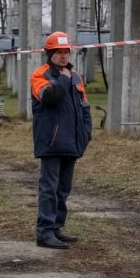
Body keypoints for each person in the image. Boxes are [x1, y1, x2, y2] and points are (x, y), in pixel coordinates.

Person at [30, 31, 92, 249]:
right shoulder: (40, 76)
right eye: (59, 52)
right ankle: (44, 232)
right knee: (49, 187)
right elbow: (49, 98)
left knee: (63, 189)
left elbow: (84, 106)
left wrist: (86, 132)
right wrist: (63, 81)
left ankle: (56, 228)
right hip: (51, 141)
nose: (64, 56)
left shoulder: (75, 77)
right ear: (50, 53)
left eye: (66, 52)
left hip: (72, 142)